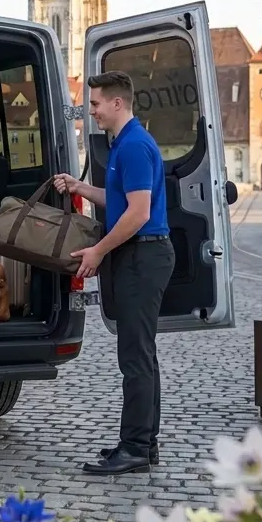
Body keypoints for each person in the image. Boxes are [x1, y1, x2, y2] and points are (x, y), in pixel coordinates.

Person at [53, 70, 175, 476]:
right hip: (137, 255)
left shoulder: (135, 147)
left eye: (96, 104)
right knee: (142, 354)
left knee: (136, 357)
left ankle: (137, 446)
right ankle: (143, 442)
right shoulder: (125, 145)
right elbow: (121, 200)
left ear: (117, 104)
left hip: (143, 255)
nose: (92, 112)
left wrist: (98, 251)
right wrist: (80, 187)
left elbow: (138, 214)